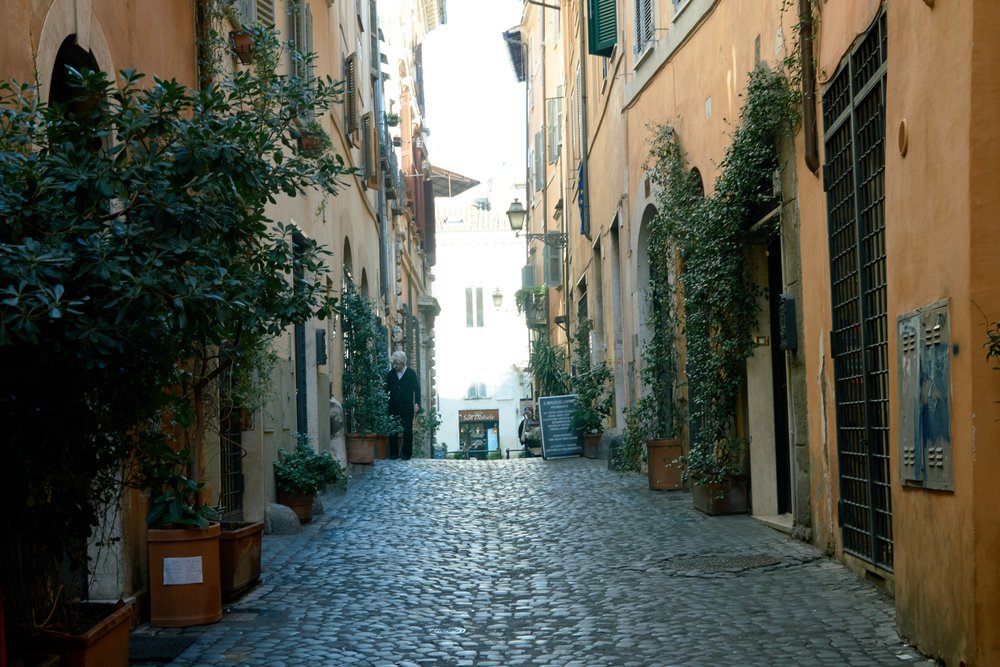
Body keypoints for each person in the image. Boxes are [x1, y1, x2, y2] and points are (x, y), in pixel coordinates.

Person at [385, 351, 420, 460]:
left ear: (403, 362)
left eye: (398, 364)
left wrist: (417, 403)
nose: (396, 366)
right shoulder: (391, 374)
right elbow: (385, 389)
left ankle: (406, 453)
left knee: (407, 430)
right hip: (394, 406)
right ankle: (394, 453)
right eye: (394, 364)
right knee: (393, 430)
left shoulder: (411, 373)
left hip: (407, 406)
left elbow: (417, 390)